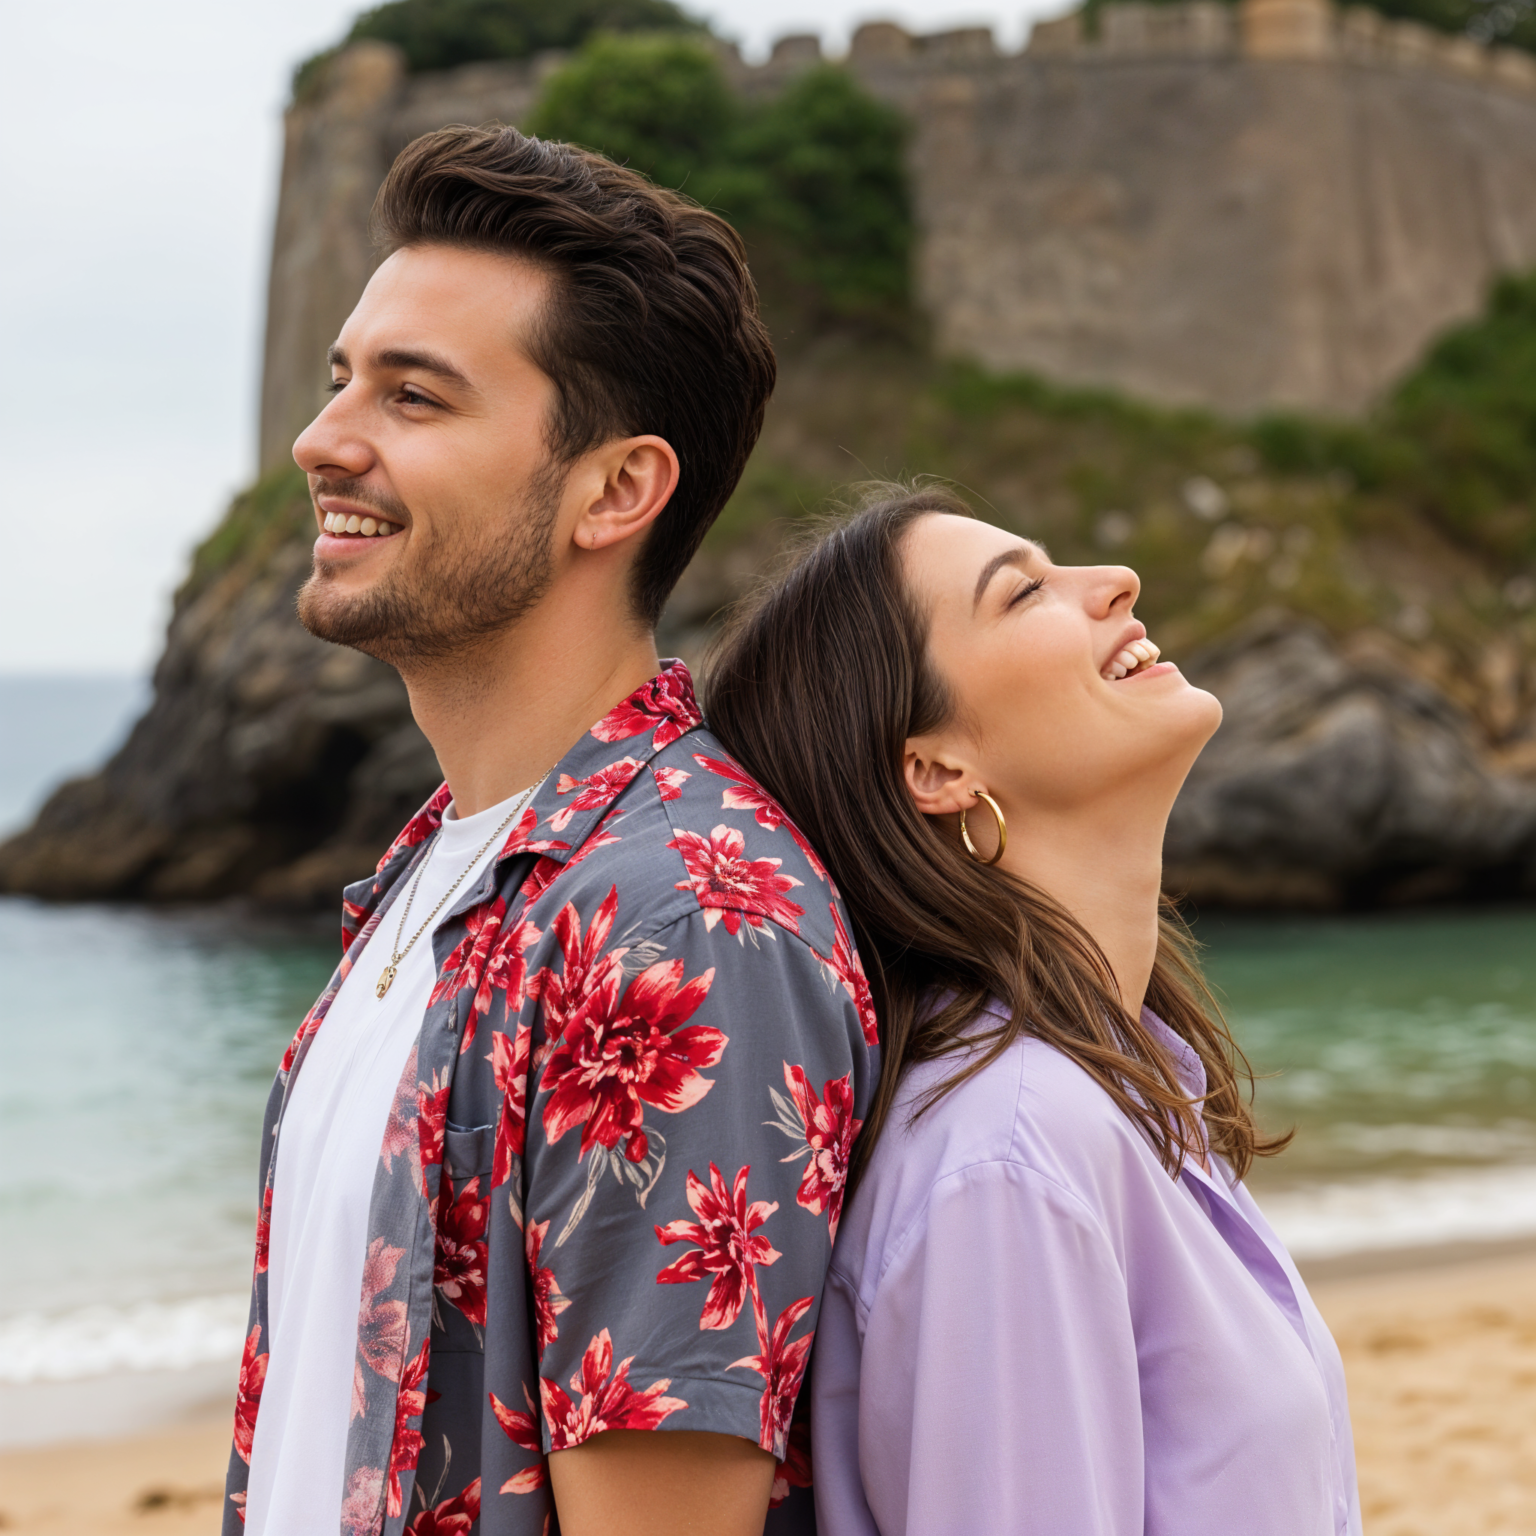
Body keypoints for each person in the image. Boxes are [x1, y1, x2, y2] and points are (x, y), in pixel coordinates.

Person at [224, 126, 878, 1536]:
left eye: (416, 397)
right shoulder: (438, 881)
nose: (323, 439)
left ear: (616, 491)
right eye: (344, 379)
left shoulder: (684, 916)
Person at [704, 484, 1362, 1536]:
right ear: (935, 765)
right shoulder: (1010, 1155)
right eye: (1024, 594)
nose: (1117, 583)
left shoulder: (1105, 1093)